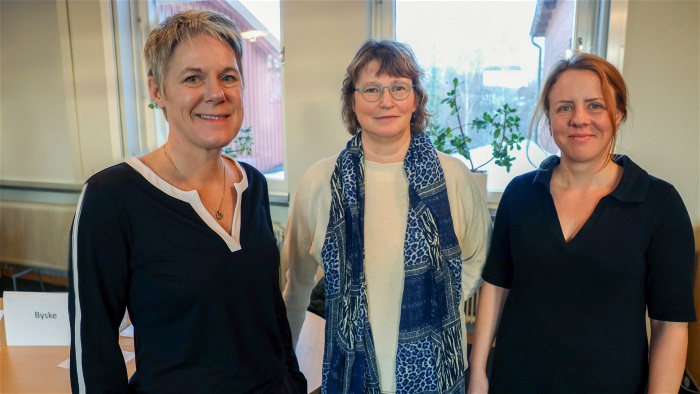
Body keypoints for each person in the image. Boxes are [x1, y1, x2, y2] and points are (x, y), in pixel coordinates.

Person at [68, 10, 306, 393]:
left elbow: (269, 313)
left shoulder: (253, 185)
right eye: (193, 78)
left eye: (228, 76)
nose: (216, 93)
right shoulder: (112, 197)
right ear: (157, 90)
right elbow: (92, 345)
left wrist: (292, 382)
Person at [468, 53, 696, 393]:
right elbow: (496, 286)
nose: (579, 119)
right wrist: (478, 374)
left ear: (618, 113)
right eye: (564, 107)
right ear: (549, 118)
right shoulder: (520, 194)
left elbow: (670, 325)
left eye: (594, 106)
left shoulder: (659, 203)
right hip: (515, 380)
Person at [282, 39, 492, 393]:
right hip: (351, 374)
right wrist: (283, 360)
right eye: (371, 89)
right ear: (352, 100)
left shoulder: (453, 177)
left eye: (398, 87)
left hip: (437, 370)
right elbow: (297, 284)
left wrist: (437, 303)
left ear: (416, 98)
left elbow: (477, 256)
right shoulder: (319, 183)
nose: (386, 101)